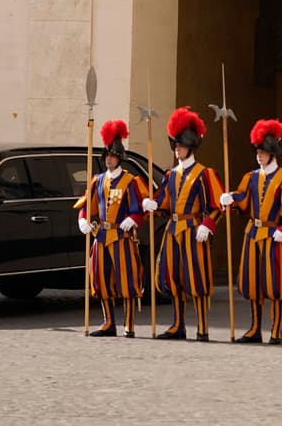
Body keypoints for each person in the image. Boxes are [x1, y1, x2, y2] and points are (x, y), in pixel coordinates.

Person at [142, 107, 224, 341]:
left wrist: (208, 224)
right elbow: (164, 201)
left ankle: (202, 327)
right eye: (175, 145)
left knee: (196, 279)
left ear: (190, 146)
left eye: (180, 145)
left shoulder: (204, 174)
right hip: (172, 230)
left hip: (193, 229)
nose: (176, 148)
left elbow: (218, 205)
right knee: (172, 277)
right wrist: (152, 204)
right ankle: (178, 324)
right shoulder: (170, 175)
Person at [219, 118, 282, 344]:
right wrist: (231, 198)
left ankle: (276, 329)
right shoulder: (251, 177)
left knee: (274, 284)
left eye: (263, 152)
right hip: (253, 234)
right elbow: (244, 199)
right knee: (253, 284)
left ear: (272, 153)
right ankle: (255, 328)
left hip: (274, 236)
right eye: (258, 151)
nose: (259, 155)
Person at [76, 119, 149, 338]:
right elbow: (86, 206)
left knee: (126, 279)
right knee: (100, 278)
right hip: (101, 235)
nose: (109, 159)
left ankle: (129, 324)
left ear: (119, 158)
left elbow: (139, 208)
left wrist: (134, 219)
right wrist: (82, 220)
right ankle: (108, 322)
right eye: (107, 155)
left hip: (122, 235)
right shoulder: (97, 180)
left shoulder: (131, 181)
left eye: (113, 155)